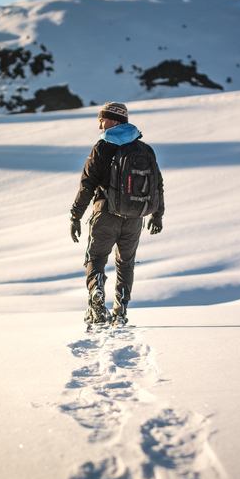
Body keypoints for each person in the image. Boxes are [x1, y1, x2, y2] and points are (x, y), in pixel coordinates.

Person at [70, 101, 164, 326]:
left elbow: (87, 185)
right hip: (134, 218)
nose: (99, 124)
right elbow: (157, 184)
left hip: (105, 213)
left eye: (101, 119)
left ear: (114, 120)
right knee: (126, 263)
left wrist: (75, 216)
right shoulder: (144, 149)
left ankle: (97, 296)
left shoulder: (103, 146)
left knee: (95, 258)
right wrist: (157, 214)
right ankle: (120, 308)